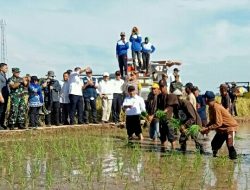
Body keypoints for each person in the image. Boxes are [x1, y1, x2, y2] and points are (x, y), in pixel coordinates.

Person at [201, 91, 238, 159]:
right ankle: (215, 159)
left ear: (206, 99)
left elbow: (218, 123)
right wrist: (205, 127)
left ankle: (234, 163)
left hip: (230, 128)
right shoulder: (210, 107)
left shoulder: (216, 107)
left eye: (204, 98)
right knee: (214, 144)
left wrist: (207, 129)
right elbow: (212, 121)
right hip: (222, 128)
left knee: (230, 146)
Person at [173, 89, 204, 154]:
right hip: (186, 124)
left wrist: (184, 125)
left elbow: (193, 117)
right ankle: (183, 153)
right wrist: (180, 126)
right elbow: (177, 117)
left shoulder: (185, 103)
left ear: (178, 97)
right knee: (182, 140)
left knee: (198, 141)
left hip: (194, 124)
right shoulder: (176, 106)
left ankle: (201, 155)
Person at [157, 84, 177, 149]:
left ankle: (173, 152)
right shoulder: (159, 96)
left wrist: (163, 112)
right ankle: (162, 153)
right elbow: (158, 107)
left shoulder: (171, 96)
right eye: (160, 86)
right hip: (162, 119)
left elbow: (169, 107)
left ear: (166, 87)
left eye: (162, 87)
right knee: (162, 138)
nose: (161, 88)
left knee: (171, 138)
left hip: (169, 119)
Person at [0, 63, 9, 130]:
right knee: (0, 110)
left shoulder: (4, 75)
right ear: (1, 68)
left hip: (5, 96)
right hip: (1, 96)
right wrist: (0, 97)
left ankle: (2, 124)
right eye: (5, 68)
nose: (7, 69)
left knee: (3, 110)